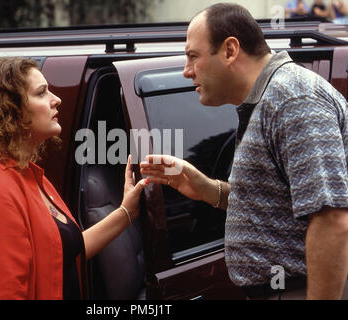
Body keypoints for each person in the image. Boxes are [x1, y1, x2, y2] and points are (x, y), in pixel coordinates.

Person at [140, 3, 348, 300]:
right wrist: (208, 189)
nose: (186, 71)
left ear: (229, 50)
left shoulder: (292, 99)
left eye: (193, 56)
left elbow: (331, 219)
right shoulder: (269, 99)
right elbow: (276, 206)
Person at [0, 57, 147, 300]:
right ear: (9, 110)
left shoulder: (28, 176)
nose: (56, 99)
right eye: (42, 93)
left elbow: (60, 256)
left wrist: (126, 212)